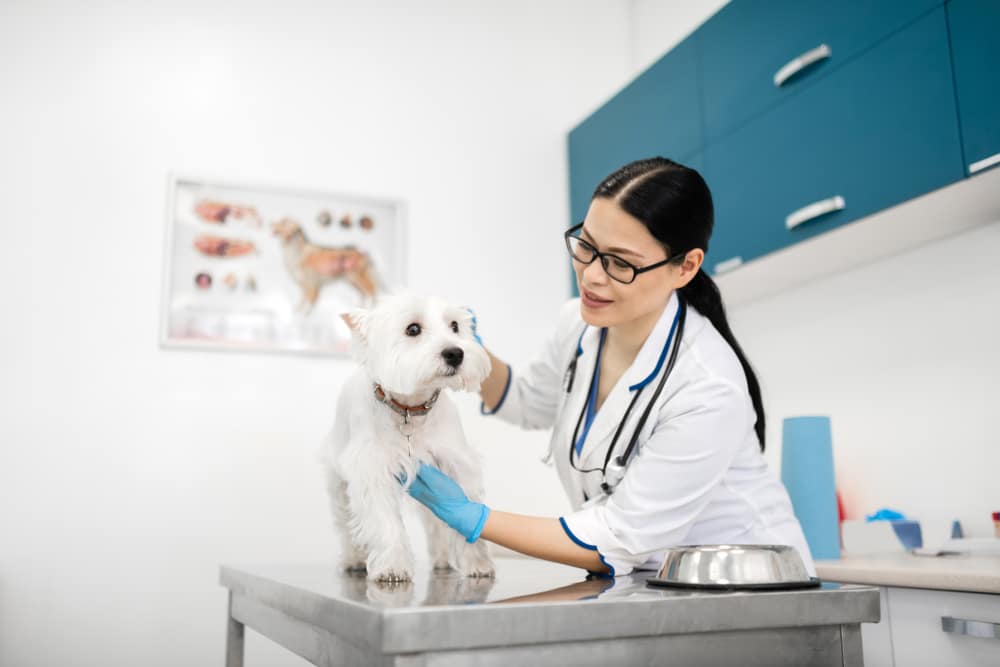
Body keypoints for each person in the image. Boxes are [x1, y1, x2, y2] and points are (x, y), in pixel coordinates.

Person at [405, 157, 815, 577]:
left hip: (746, 587)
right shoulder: (579, 324)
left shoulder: (708, 386)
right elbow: (528, 402)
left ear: (686, 266)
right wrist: (464, 347)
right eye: (586, 247)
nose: (591, 277)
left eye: (620, 262)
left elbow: (619, 535)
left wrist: (472, 517)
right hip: (651, 581)